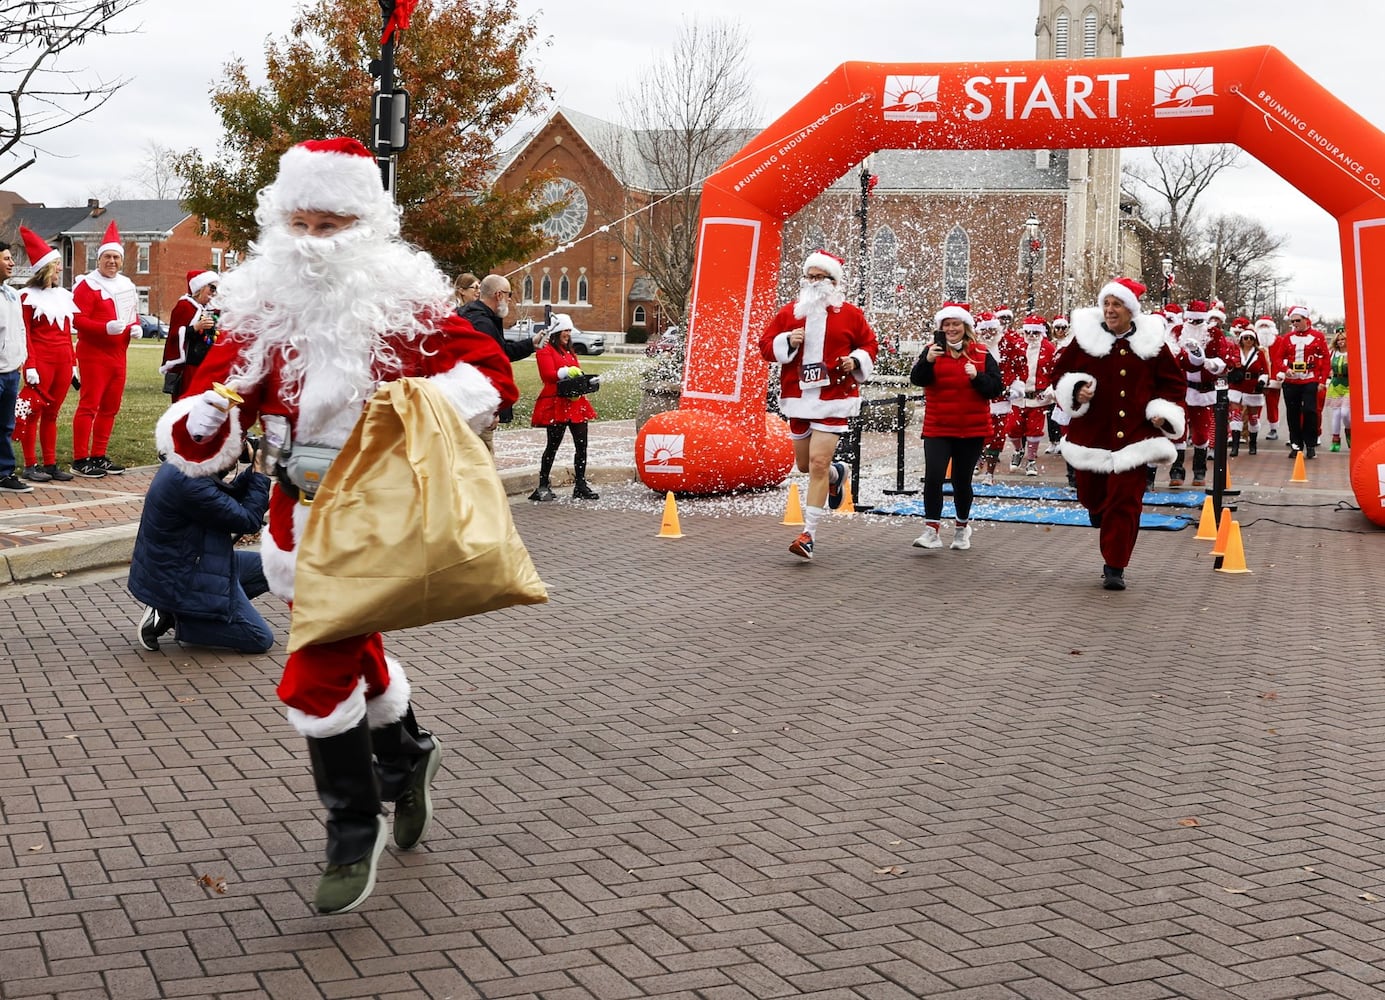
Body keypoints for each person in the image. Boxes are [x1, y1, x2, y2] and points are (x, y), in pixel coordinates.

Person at [155, 136, 518, 915]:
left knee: (316, 669)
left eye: (332, 224)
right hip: (293, 512)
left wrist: (409, 410)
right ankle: (407, 750)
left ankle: (353, 824)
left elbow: (489, 378)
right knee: (347, 636)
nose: (314, 242)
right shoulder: (259, 315)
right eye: (302, 225)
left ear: (367, 226)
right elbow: (206, 415)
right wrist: (205, 417)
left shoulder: (405, 312)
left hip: (375, 514)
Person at [1051, 277, 1185, 591]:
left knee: (1125, 502)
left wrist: (1161, 410)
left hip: (1136, 439)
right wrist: (1075, 390)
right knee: (1092, 497)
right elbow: (1059, 373)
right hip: (1092, 436)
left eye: (1117, 305)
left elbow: (1174, 385)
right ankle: (1100, 514)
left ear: (1130, 310)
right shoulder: (1085, 338)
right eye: (1107, 304)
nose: (1110, 310)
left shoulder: (1153, 344)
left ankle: (1115, 565)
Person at [759, 250, 878, 560]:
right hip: (798, 399)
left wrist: (856, 360)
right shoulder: (790, 313)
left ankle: (808, 534)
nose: (812, 282)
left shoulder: (850, 314)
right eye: (808, 277)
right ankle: (839, 475)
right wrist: (787, 341)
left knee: (817, 464)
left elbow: (869, 345)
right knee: (804, 466)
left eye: (818, 277)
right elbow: (765, 346)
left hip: (834, 398)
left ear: (833, 281)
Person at [128, 442, 273, 654]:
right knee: (259, 638)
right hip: (180, 577)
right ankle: (180, 617)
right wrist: (260, 474)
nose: (242, 449)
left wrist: (253, 471)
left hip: (192, 562)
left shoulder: (187, 463)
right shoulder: (192, 485)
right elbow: (248, 521)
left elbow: (227, 498)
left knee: (275, 567)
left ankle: (190, 612)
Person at [908, 302, 1002, 550]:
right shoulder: (931, 351)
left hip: (970, 429)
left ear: (965, 327)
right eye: (946, 325)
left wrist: (977, 377)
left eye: (955, 324)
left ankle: (961, 528)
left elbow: (995, 388)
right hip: (938, 426)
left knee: (961, 481)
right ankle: (931, 530)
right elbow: (917, 379)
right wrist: (927, 361)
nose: (951, 329)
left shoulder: (982, 354)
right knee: (934, 477)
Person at [70, 220, 140, 478]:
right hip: (93, 354)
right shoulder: (87, 285)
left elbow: (132, 314)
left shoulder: (127, 285)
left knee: (111, 406)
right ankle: (80, 458)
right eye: (107, 257)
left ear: (121, 260)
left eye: (116, 257)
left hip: (118, 355)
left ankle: (99, 454)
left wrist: (135, 327)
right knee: (89, 405)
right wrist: (104, 327)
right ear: (99, 259)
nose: (112, 261)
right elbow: (76, 319)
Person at [15, 228, 77, 483]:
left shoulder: (62, 296)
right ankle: (31, 464)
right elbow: (25, 333)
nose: (60, 270)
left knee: (53, 414)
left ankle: (50, 463)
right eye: (56, 265)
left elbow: (66, 334)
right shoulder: (27, 297)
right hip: (41, 362)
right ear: (45, 269)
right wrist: (30, 365)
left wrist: (73, 364)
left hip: (63, 361)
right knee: (33, 414)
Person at [458, 273, 539, 452]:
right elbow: (487, 368)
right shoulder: (482, 323)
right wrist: (492, 410)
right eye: (509, 295)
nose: (510, 300)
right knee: (482, 467)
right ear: (499, 295)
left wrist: (531, 344)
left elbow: (500, 351)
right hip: (477, 411)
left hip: (467, 405)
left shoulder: (475, 317)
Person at [528, 313, 599, 501]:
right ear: (556, 332)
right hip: (556, 402)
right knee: (553, 445)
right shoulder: (545, 350)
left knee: (582, 445)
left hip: (574, 403)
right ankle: (543, 484)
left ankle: (580, 484)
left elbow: (575, 372)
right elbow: (547, 375)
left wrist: (584, 380)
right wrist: (566, 372)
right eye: (564, 330)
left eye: (569, 330)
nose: (568, 333)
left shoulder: (569, 351)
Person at [1271, 305, 1329, 459]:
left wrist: (1322, 380)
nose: (1295, 323)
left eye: (1298, 320)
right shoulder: (1288, 338)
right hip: (1291, 381)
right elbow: (1277, 358)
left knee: (1310, 411)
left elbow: (1325, 359)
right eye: (1293, 321)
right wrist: (1285, 369)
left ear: (1306, 319)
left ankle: (1310, 444)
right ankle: (1296, 445)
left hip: (1310, 379)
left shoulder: (1318, 336)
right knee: (1292, 414)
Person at [1004, 314, 1056, 476]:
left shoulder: (1048, 348)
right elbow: (1008, 367)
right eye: (1028, 333)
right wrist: (1009, 384)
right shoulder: (1017, 346)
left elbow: (1056, 371)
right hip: (1018, 396)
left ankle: (1031, 459)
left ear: (1041, 333)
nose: (1031, 336)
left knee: (1034, 430)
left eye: (1035, 333)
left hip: (1038, 397)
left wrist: (1051, 388)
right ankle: (1018, 451)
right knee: (1012, 428)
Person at [0, 240, 31, 493]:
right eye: (7, 259)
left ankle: (4, 472)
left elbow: (20, 329)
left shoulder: (12, 294)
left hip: (11, 371)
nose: (12, 263)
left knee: (6, 425)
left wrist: (22, 357)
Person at [161, 270, 220, 400]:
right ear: (200, 288)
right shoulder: (185, 306)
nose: (213, 293)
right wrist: (196, 327)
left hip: (206, 364)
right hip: (189, 366)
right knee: (187, 400)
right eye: (211, 288)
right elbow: (174, 335)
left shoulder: (211, 309)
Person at [1226, 326, 1269, 456]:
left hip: (1253, 387)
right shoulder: (1234, 352)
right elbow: (1227, 365)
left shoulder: (1259, 353)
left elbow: (1265, 371)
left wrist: (1261, 382)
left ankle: (1253, 443)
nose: (1248, 340)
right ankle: (1235, 445)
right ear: (1241, 339)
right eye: (1246, 338)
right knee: (1236, 416)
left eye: (1251, 338)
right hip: (1237, 386)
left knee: (1253, 418)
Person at [1325, 328, 1350, 452]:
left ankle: (1349, 430)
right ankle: (1335, 440)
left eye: (1343, 339)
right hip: (1335, 384)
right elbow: (1325, 367)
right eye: (1339, 339)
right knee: (1336, 413)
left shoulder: (1353, 352)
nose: (1341, 342)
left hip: (1349, 385)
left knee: (1345, 413)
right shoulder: (1333, 353)